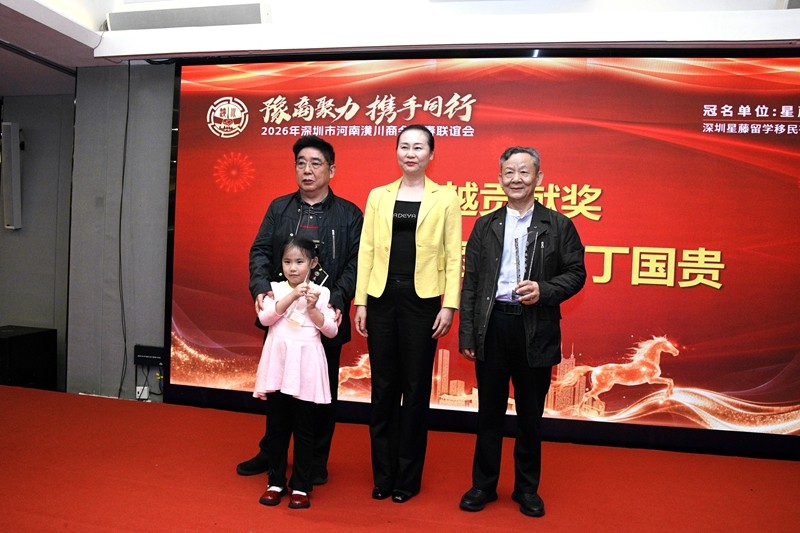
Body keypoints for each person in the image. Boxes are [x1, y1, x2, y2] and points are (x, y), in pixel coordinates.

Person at [458, 146, 586, 518]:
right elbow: (471, 282)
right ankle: (483, 485)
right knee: (489, 414)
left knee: (530, 416)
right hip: (493, 325)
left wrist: (544, 290)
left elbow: (576, 273)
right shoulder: (485, 225)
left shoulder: (558, 225)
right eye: (509, 172)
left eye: (524, 172)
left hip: (536, 327)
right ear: (500, 179)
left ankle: (527, 489)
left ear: (538, 178)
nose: (516, 179)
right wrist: (468, 334)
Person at [241, 136, 363, 488]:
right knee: (278, 391)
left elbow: (356, 263)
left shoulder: (349, 214)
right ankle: (272, 454)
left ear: (331, 170)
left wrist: (338, 299)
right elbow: (260, 251)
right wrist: (259, 287)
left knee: (320, 395)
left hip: (323, 316)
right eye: (301, 163)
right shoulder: (279, 208)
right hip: (282, 317)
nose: (307, 170)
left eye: (316, 164)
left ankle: (315, 462)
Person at [354, 124, 462, 503]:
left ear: (431, 154)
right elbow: (367, 250)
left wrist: (449, 304)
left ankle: (407, 479)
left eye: (418, 147)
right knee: (383, 389)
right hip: (381, 299)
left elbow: (453, 255)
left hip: (423, 302)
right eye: (404, 146)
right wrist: (361, 301)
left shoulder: (445, 198)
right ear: (396, 151)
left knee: (415, 390)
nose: (410, 153)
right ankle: (383, 476)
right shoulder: (378, 195)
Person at [254, 236, 338, 509]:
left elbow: (331, 331)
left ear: (312, 263)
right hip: (279, 365)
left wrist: (312, 308)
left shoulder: (322, 293)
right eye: (287, 262)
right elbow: (265, 318)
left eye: (299, 262)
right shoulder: (274, 289)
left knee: (304, 429)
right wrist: (291, 296)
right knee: (277, 428)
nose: (293, 268)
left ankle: (301, 486)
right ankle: (275, 482)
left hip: (306, 368)